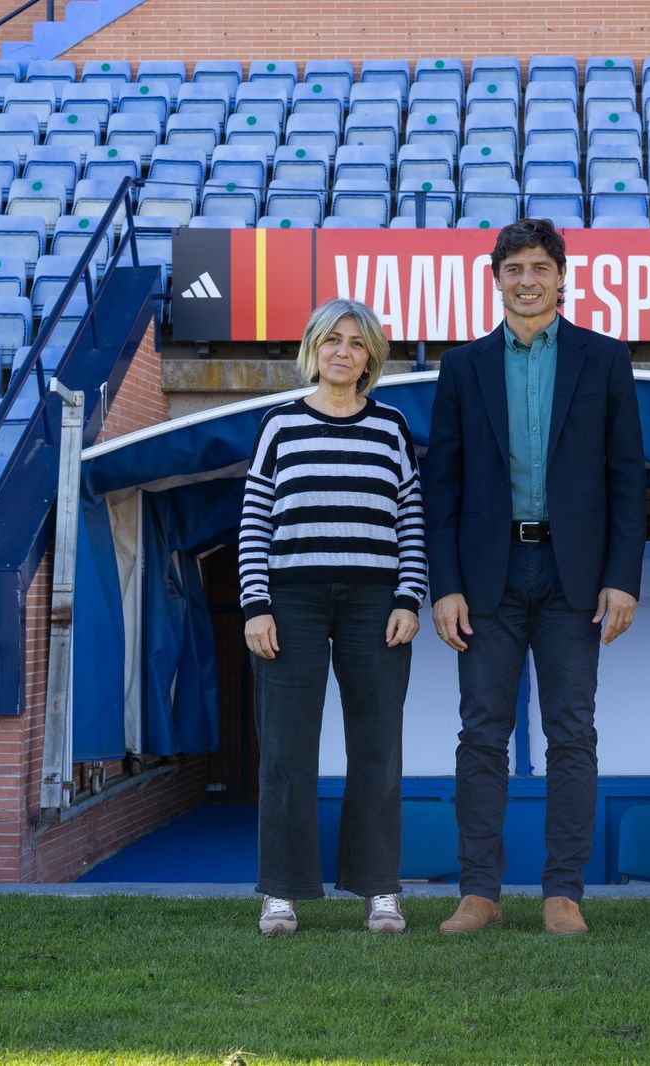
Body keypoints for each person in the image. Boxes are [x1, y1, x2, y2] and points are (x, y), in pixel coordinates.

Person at [424, 218, 647, 936]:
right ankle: (479, 892)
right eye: (513, 268)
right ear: (497, 279)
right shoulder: (462, 368)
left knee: (572, 733)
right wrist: (445, 584)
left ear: (561, 277)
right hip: (486, 575)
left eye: (539, 268)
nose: (527, 280)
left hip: (572, 573)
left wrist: (623, 577)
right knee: (481, 733)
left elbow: (626, 479)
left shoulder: (604, 359)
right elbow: (444, 484)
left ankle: (563, 894)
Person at [239, 298, 425, 937]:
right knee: (287, 749)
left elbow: (411, 521)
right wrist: (255, 605)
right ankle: (281, 893)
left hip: (376, 603)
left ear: (371, 354)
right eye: (331, 340)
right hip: (291, 599)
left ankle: (379, 890)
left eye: (355, 341)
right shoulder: (279, 425)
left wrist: (409, 597)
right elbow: (255, 520)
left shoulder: (392, 427)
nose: (342, 351)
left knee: (377, 745)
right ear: (313, 349)